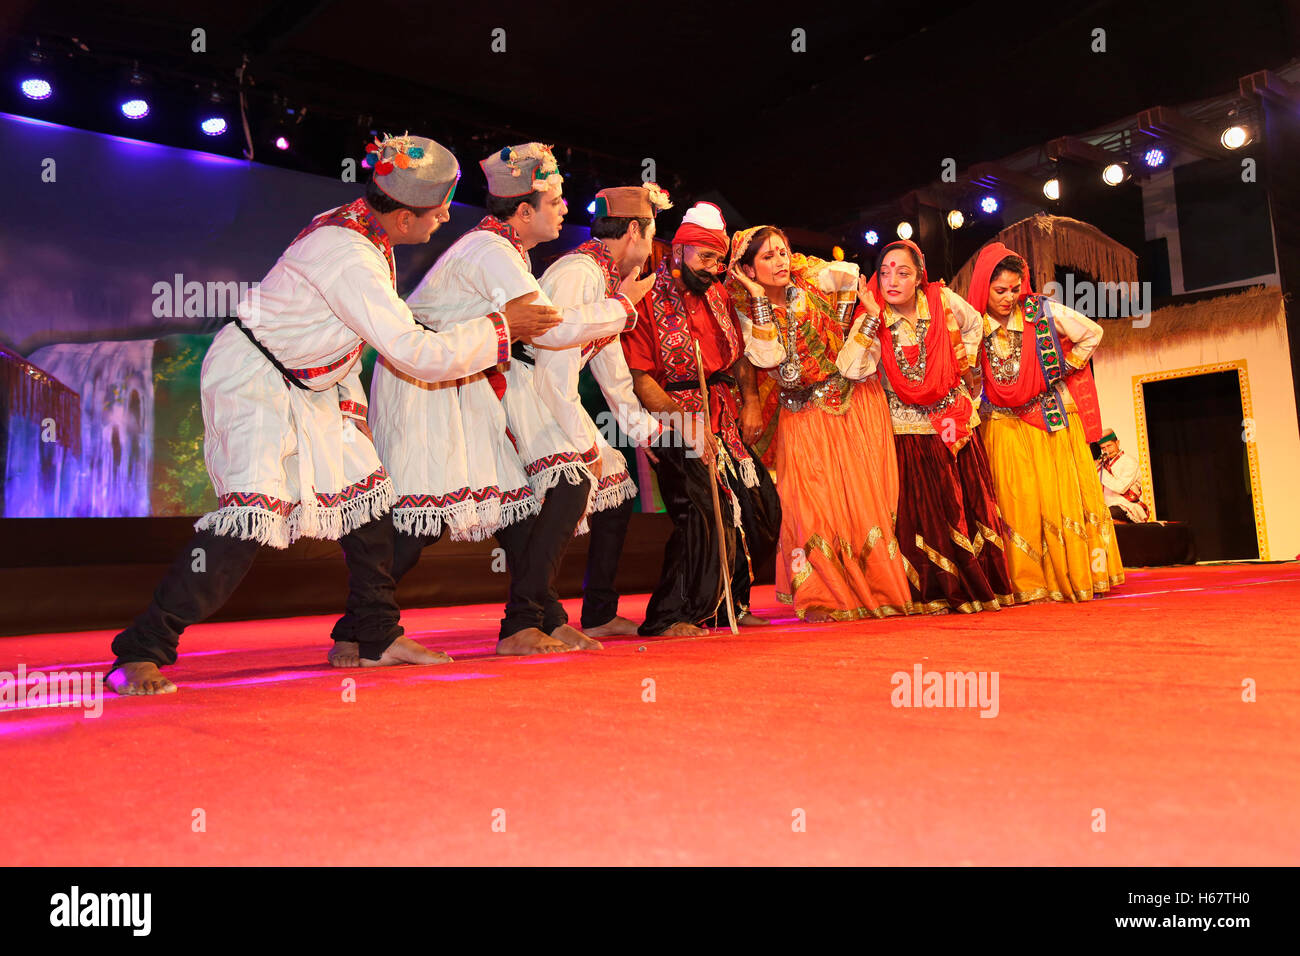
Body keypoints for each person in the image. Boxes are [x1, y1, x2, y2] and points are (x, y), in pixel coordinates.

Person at [106, 133, 562, 695]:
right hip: (256, 379)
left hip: (314, 382)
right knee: (249, 521)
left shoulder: (368, 230)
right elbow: (411, 351)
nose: (447, 215)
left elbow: (346, 335)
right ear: (401, 217)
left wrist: (352, 410)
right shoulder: (350, 254)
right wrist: (501, 329)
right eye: (438, 208)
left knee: (368, 507)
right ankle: (142, 649)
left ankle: (371, 635)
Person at [370, 142, 654, 656]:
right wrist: (622, 309)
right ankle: (365, 627)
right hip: (430, 380)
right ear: (524, 211)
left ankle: (533, 618)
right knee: (428, 513)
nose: (566, 209)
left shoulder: (509, 251)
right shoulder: (495, 252)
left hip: (466, 378)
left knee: (522, 509)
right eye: (556, 201)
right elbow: (549, 332)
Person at [727, 226, 911, 621]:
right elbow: (766, 357)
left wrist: (846, 318)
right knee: (809, 505)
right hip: (801, 414)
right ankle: (821, 595)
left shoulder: (808, 284)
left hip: (849, 404)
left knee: (858, 499)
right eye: (768, 257)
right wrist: (760, 300)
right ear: (747, 269)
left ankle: (872, 590)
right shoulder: (744, 313)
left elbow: (847, 272)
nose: (780, 262)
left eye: (784, 252)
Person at [622, 202, 781, 636]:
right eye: (705, 257)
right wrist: (686, 428)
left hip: (723, 414)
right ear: (679, 250)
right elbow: (641, 379)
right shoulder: (647, 298)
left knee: (759, 509)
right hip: (674, 424)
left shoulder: (719, 294)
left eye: (718, 259)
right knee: (703, 513)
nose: (713, 267)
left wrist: (750, 400)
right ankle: (671, 615)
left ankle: (733, 603)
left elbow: (740, 358)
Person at [533, 184, 670, 637]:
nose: (651, 248)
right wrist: (586, 442)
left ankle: (596, 612)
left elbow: (612, 373)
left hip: (546, 397)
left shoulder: (604, 278)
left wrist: (644, 432)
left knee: (616, 488)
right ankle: (538, 616)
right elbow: (552, 369)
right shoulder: (579, 272)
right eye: (651, 235)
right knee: (562, 494)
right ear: (634, 230)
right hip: (528, 397)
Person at [853, 239, 1012, 613]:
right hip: (907, 430)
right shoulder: (871, 318)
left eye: (903, 272)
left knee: (964, 503)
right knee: (922, 513)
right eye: (886, 271)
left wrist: (962, 364)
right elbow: (853, 369)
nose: (892, 280)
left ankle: (976, 587)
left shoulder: (942, 302)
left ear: (919, 278)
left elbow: (975, 324)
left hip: (953, 421)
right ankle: (934, 593)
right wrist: (872, 316)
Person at [968, 242, 1124, 602]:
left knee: (1058, 497)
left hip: (1048, 416)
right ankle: (1028, 583)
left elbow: (1092, 333)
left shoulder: (1040, 311)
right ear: (982, 287)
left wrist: (1065, 367)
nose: (1009, 298)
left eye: (1014, 289)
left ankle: (1068, 577)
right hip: (1001, 422)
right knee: (1016, 500)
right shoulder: (973, 324)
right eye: (1000, 290)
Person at [1097, 428, 1150, 523]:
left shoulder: (1129, 461)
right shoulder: (1103, 464)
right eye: (1103, 448)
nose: (1107, 451)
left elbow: (1120, 488)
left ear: (1117, 443)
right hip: (1107, 507)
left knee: (1105, 514)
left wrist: (1099, 470)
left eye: (1109, 446)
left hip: (1126, 506)